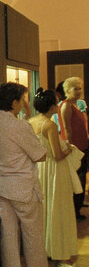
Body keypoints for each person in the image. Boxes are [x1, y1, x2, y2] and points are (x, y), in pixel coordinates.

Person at [0, 82, 63, 267]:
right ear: (14, 103)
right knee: (33, 231)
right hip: (21, 187)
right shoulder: (19, 126)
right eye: (22, 100)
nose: (24, 103)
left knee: (8, 232)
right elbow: (41, 155)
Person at [29, 88, 87, 267]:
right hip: (54, 171)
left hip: (41, 169)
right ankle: (61, 254)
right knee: (60, 210)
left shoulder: (31, 121)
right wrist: (70, 149)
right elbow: (58, 155)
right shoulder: (49, 125)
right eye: (55, 102)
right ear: (51, 106)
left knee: (46, 210)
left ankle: (47, 250)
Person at [59, 77, 89, 220]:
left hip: (83, 146)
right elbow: (66, 128)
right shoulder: (66, 105)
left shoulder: (77, 105)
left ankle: (77, 207)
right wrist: (70, 146)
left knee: (82, 177)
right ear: (67, 90)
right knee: (78, 178)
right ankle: (74, 211)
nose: (78, 91)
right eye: (75, 88)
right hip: (75, 147)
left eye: (79, 88)